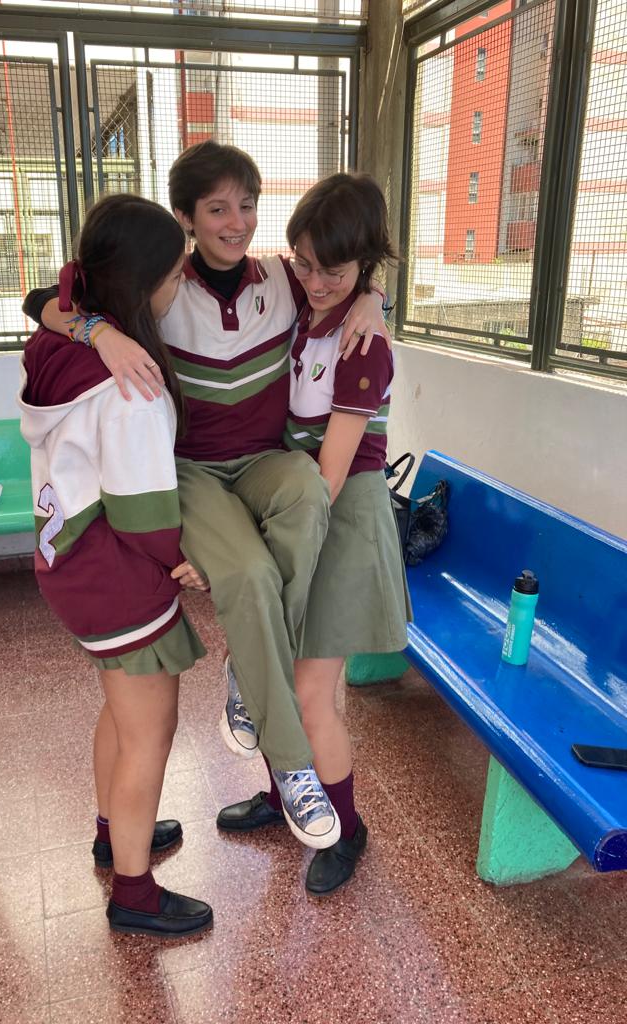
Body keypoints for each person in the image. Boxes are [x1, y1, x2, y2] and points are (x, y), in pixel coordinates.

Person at [23, 141, 390, 851]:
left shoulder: (285, 278)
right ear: (185, 217)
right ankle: (290, 766)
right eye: (217, 208)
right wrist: (99, 333)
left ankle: (246, 675)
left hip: (266, 462)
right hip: (193, 472)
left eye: (247, 205)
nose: (237, 221)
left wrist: (374, 297)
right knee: (248, 573)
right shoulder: (159, 287)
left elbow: (344, 277)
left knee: (309, 493)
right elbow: (42, 302)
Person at [18, 193, 212, 939]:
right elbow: (143, 513)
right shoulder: (131, 385)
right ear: (143, 280)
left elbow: (46, 303)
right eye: (175, 271)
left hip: (69, 559)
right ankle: (134, 892)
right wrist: (187, 558)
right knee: (150, 732)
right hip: (116, 571)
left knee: (120, 710)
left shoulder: (61, 341)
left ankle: (112, 833)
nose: (181, 282)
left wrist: (96, 327)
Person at [217, 173, 412, 896]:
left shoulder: (365, 346)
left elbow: (331, 474)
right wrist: (365, 291)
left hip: (338, 513)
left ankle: (347, 826)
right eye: (303, 263)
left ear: (365, 261)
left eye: (335, 270)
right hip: (296, 507)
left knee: (307, 692)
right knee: (276, 670)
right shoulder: (305, 299)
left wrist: (274, 549)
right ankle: (284, 797)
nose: (315, 281)